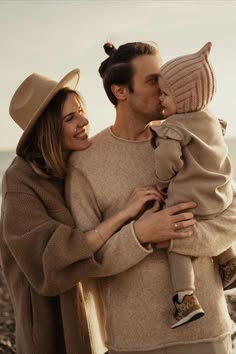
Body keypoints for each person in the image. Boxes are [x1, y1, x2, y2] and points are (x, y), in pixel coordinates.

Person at [0, 69, 196, 354]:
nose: (84, 121)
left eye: (80, 112)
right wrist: (125, 216)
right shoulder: (19, 181)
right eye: (70, 118)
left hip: (92, 310)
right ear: (47, 129)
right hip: (49, 320)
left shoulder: (73, 164)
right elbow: (50, 258)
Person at [66, 41, 236, 354]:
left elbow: (230, 213)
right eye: (154, 81)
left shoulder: (190, 137)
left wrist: (180, 234)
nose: (165, 88)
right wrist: (140, 234)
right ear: (120, 91)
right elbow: (87, 260)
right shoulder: (85, 163)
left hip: (208, 331)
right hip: (135, 341)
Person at [150, 41, 236, 329]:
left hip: (189, 201)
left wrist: (162, 180)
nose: (160, 100)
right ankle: (229, 263)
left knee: (179, 248)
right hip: (220, 196)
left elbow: (167, 159)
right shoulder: (212, 120)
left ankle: (185, 299)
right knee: (212, 223)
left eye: (165, 94)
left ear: (185, 99)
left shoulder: (174, 126)